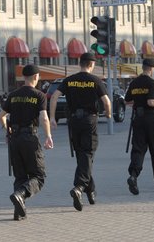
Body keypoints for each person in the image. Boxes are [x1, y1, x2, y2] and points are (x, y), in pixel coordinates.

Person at [49, 52, 111, 211]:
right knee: (88, 154)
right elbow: (106, 101)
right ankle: (79, 187)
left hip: (74, 121)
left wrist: (52, 118)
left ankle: (91, 191)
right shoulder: (95, 80)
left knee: (82, 155)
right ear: (91, 65)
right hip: (90, 121)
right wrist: (109, 115)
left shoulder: (69, 80)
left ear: (80, 63)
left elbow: (54, 96)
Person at [0, 64, 54, 221]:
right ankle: (20, 194)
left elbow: (1, 116)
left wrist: (7, 130)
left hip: (14, 139)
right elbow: (43, 117)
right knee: (39, 175)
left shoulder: (13, 95)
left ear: (24, 77)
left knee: (20, 175)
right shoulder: (39, 95)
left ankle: (18, 212)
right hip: (30, 137)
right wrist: (48, 135)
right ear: (36, 77)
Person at [124, 58, 154, 195]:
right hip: (150, 118)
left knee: (138, 149)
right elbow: (150, 101)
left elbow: (127, 100)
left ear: (143, 67)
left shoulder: (134, 83)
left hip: (138, 119)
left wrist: (137, 105)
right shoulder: (152, 83)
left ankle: (133, 176)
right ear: (152, 69)